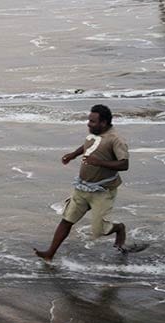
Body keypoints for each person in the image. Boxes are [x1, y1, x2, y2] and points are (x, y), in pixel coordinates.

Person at [34, 104, 129, 261]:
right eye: (89, 120)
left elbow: (124, 164)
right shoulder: (94, 134)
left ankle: (119, 228)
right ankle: (49, 253)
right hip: (82, 187)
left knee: (100, 231)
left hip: (102, 191)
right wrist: (73, 155)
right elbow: (88, 146)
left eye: (92, 121)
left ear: (103, 123)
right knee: (67, 220)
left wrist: (98, 162)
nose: (88, 124)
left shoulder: (116, 140)